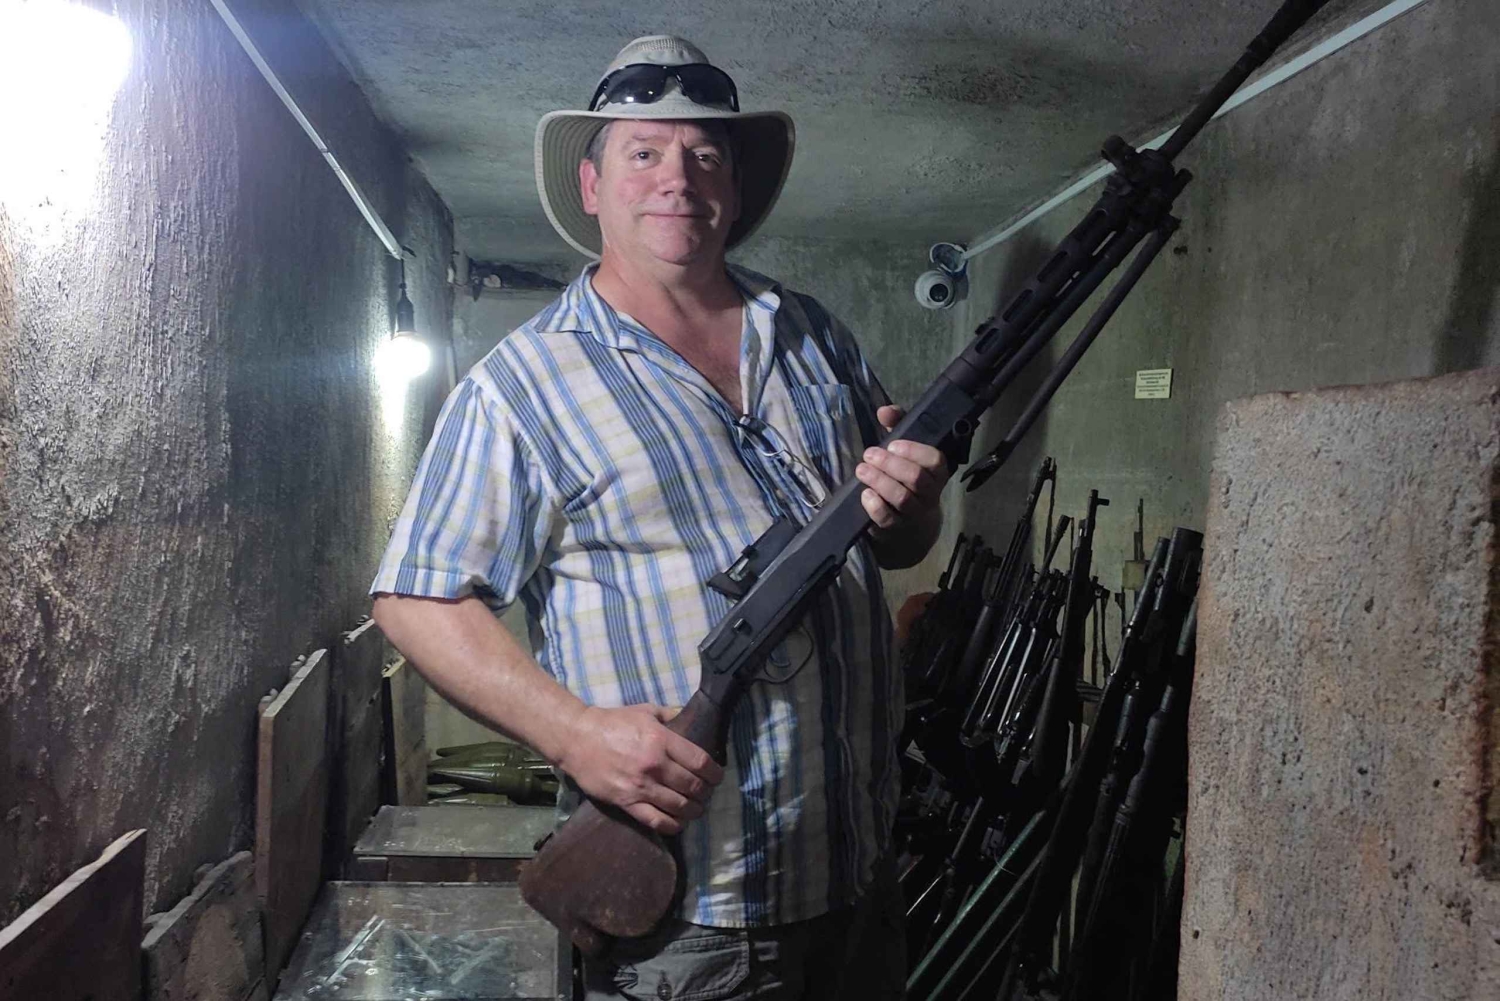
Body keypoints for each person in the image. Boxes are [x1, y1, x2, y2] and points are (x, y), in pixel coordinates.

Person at [371, 35, 949, 1000]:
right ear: (592, 186)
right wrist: (573, 733)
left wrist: (913, 509)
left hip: (858, 878)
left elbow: (897, 543)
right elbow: (416, 598)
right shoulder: (522, 384)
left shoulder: (815, 335)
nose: (677, 178)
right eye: (644, 152)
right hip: (696, 921)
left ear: (735, 187)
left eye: (705, 154)